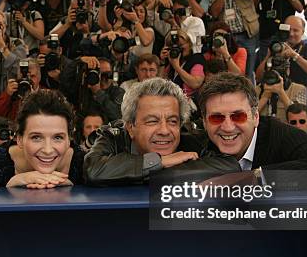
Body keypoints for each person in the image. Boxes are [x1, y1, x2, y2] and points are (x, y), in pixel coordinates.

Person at [84, 78, 224, 186]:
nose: (164, 130)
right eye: (152, 121)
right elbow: (93, 169)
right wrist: (158, 162)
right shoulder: (113, 137)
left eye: (172, 121)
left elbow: (229, 165)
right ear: (130, 127)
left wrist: (162, 171)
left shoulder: (190, 137)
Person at [198, 72, 307, 171]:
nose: (228, 127)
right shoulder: (197, 147)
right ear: (204, 122)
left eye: (238, 116)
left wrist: (256, 178)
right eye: (216, 118)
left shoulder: (284, 136)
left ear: (256, 117)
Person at [0, 89, 84, 188]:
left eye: (58, 137)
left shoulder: (85, 164)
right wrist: (10, 189)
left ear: (69, 139)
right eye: (36, 137)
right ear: (19, 139)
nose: (48, 150)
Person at [208, 0, 259, 79]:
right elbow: (214, 12)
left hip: (247, 33)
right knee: (231, 71)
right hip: (227, 37)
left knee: (248, 72)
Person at [255, 16, 307, 86]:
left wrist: (295, 56)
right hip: (272, 87)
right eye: (288, 30)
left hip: (296, 91)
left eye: (295, 30)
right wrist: (268, 57)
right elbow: (258, 77)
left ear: (302, 32)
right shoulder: (275, 46)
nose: (291, 34)